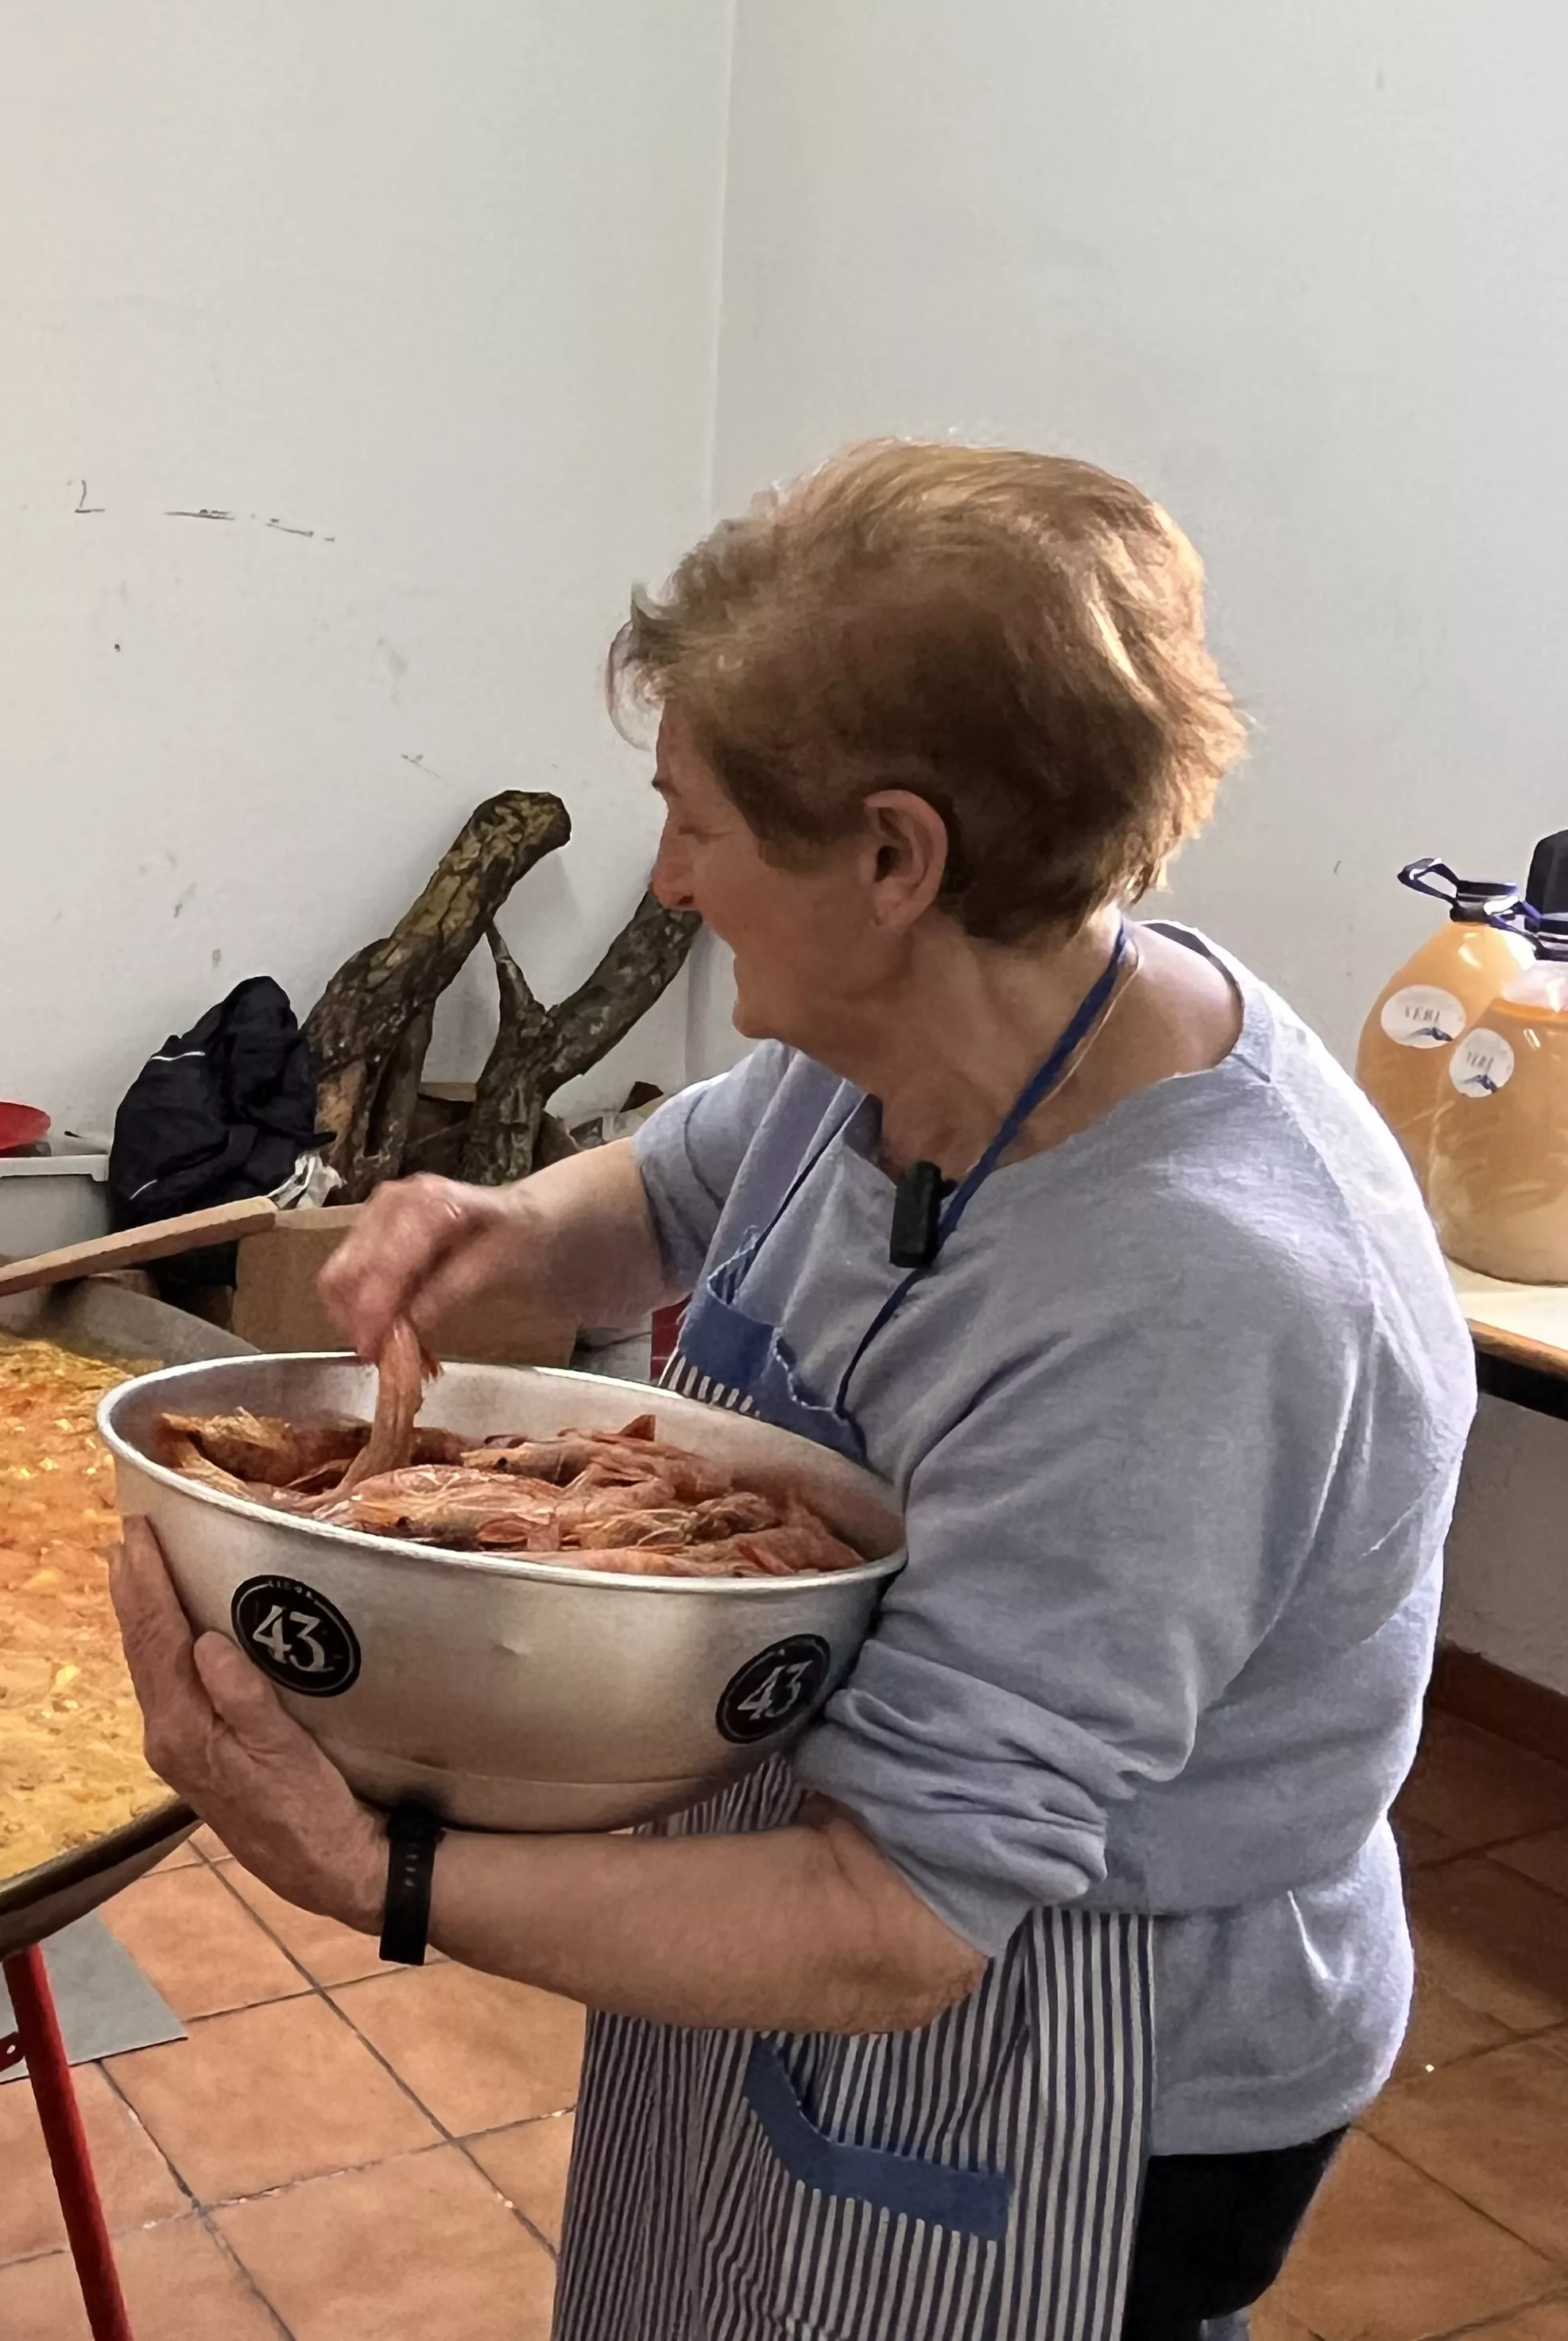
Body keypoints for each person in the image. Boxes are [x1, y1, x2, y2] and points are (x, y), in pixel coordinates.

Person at [111, 442, 1470, 2341]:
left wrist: (375, 1872)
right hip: (809, 1896)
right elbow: (668, 1193)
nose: (668, 877)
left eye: (695, 824)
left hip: (1084, 2072)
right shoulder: (914, 1023)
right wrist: (496, 1229)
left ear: (895, 857)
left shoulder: (1193, 1297)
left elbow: (893, 1923)